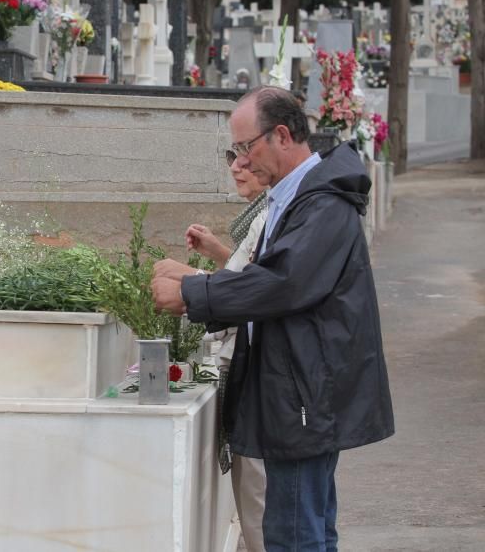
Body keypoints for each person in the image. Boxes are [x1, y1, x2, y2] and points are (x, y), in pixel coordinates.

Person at [152, 86, 394, 551]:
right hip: (302, 388)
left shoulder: (322, 203)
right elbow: (272, 277)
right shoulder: (301, 196)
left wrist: (191, 292)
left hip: (304, 394)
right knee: (308, 529)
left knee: (295, 535)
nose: (240, 160)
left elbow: (281, 283)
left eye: (245, 147)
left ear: (281, 135)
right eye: (235, 150)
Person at [182, 149, 269, 552]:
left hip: (262, 378)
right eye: (231, 156)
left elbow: (255, 291)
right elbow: (247, 275)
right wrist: (217, 253)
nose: (234, 167)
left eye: (244, 156)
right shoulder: (265, 212)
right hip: (252, 371)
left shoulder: (278, 212)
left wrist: (188, 283)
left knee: (262, 505)